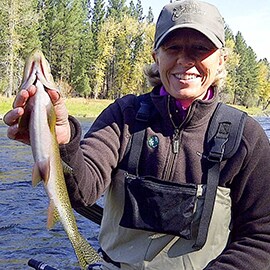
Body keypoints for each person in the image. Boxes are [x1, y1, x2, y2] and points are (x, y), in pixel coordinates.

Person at [4, 0, 270, 269]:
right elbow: (83, 191)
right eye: (173, 47)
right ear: (156, 56)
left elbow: (262, 237)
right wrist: (62, 141)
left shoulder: (246, 137)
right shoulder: (124, 116)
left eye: (201, 48)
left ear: (221, 59)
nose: (185, 60)